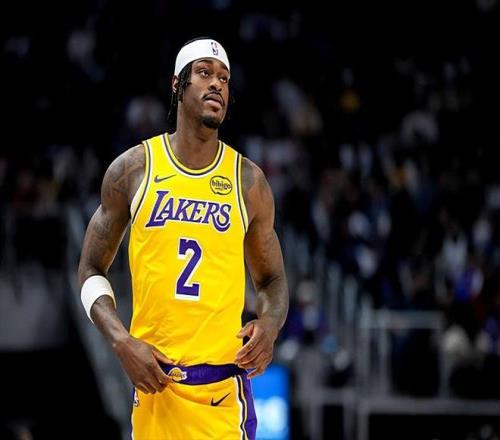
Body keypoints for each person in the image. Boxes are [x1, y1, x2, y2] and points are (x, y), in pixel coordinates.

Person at [77, 37, 289, 439]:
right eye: (205, 73)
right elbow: (90, 269)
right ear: (177, 84)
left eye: (224, 78)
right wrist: (121, 341)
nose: (217, 84)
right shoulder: (133, 170)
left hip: (222, 395)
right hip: (155, 391)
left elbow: (272, 280)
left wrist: (270, 324)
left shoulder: (248, 182)